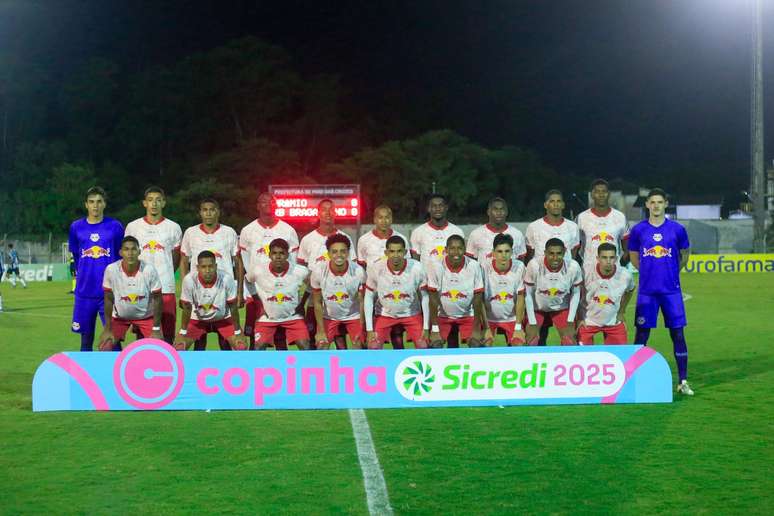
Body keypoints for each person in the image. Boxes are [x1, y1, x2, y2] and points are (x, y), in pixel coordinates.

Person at [628, 188, 693, 395]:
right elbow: (633, 257)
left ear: (666, 204)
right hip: (647, 292)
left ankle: (683, 381)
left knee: (678, 334)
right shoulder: (638, 230)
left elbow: (685, 255)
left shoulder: (677, 229)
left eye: (660, 202)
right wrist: (648, 273)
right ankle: (634, 379)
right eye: (652, 202)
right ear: (647, 204)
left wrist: (672, 272)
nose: (656, 206)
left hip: (671, 292)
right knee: (642, 334)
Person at [238, 193, 299, 346]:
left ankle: (283, 367)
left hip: (280, 289)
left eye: (272, 201)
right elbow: (245, 262)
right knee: (254, 333)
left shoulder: (288, 230)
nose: (268, 204)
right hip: (256, 291)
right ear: (257, 206)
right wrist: (246, 287)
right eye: (264, 202)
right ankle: (255, 367)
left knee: (280, 333)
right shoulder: (247, 230)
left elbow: (292, 263)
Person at [69, 186, 124, 351]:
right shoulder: (76, 227)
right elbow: (77, 257)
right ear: (86, 204)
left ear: (104, 204)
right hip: (84, 292)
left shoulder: (115, 227)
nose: (95, 206)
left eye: (99, 202)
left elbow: (120, 256)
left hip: (109, 293)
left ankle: (118, 375)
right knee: (86, 340)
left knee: (113, 340)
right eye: (91, 202)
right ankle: (85, 376)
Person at [124, 186, 182, 343]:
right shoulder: (133, 227)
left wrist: (167, 272)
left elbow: (176, 258)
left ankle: (169, 366)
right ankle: (142, 365)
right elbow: (129, 256)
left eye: (158, 200)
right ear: (144, 203)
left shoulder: (174, 227)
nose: (154, 204)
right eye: (150, 200)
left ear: (163, 203)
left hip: (166, 288)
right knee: (143, 336)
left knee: (168, 335)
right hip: (142, 289)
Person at [180, 198, 240, 349]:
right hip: (198, 293)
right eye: (205, 210)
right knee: (199, 342)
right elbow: (184, 260)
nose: (208, 213)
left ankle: (226, 371)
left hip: (223, 292)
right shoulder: (191, 232)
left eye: (212, 209)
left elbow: (238, 262)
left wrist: (239, 290)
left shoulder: (229, 232)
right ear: (200, 213)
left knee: (225, 343)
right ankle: (197, 370)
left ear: (218, 212)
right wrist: (185, 289)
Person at [296, 199, 355, 347]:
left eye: (331, 209)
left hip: (339, 301)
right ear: (318, 212)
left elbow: (352, 267)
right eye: (324, 209)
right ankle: (314, 370)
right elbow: (301, 268)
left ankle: (343, 369)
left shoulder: (345, 238)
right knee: (313, 340)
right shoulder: (308, 239)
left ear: (336, 213)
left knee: (341, 341)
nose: (328, 213)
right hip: (313, 300)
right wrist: (313, 283)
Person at [409, 193, 464, 346]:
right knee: (427, 330)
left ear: (446, 208)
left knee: (451, 331)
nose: (437, 208)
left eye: (441, 205)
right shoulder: (419, 232)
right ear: (428, 208)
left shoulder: (457, 231)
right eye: (434, 205)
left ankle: (453, 360)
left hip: (449, 286)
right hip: (426, 289)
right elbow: (415, 262)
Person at [356, 204, 408, 349]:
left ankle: (399, 359)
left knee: (397, 332)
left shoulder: (401, 238)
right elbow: (362, 267)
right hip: (373, 291)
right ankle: (371, 362)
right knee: (371, 332)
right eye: (380, 217)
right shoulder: (364, 240)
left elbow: (406, 264)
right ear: (374, 219)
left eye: (387, 217)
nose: (384, 221)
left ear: (391, 219)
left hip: (395, 290)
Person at [245, 238, 311, 350]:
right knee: (258, 347)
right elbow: (248, 281)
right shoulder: (258, 270)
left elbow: (312, 283)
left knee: (305, 346)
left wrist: (302, 303)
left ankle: (303, 367)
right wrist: (257, 302)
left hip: (293, 318)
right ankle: (262, 368)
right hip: (267, 318)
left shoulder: (299, 271)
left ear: (287, 255)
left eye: (282, 253)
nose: (278, 256)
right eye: (274, 253)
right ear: (269, 255)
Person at [365, 235, 429, 349]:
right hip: (384, 315)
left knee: (423, 345)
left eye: (399, 251)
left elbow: (425, 297)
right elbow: (368, 297)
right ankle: (382, 367)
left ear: (405, 252)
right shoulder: (376, 268)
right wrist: (369, 329)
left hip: (411, 314)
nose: (395, 255)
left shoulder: (417, 268)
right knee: (373, 346)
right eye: (392, 251)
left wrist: (426, 327)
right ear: (386, 252)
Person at [98, 236, 162, 351]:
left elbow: (158, 299)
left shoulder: (149, 270)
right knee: (105, 347)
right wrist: (107, 328)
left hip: (146, 317)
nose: (130, 253)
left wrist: (156, 328)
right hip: (120, 318)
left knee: (158, 348)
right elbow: (108, 299)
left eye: (133, 249)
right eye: (126, 249)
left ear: (139, 252)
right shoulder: (111, 270)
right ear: (121, 252)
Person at [175, 251, 247, 351]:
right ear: (197, 267)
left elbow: (233, 307)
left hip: (223, 319)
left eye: (210, 266)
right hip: (198, 320)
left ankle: (233, 366)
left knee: (241, 346)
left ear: (216, 266)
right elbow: (187, 308)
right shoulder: (189, 280)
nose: (207, 270)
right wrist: (182, 333)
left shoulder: (226, 279)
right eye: (203, 267)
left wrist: (238, 332)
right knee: (179, 347)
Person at [427, 234, 487, 347]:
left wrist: (476, 327)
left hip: (467, 315)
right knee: (435, 345)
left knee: (476, 344)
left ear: (465, 249)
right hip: (443, 316)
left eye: (459, 248)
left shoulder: (474, 266)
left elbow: (478, 298)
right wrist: (434, 329)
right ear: (446, 250)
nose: (456, 252)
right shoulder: (435, 266)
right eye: (452, 248)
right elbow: (432, 298)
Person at [311, 234, 366, 350]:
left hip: (353, 316)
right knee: (322, 346)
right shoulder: (318, 271)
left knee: (359, 345)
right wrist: (320, 330)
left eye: (343, 251)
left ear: (348, 253)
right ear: (328, 253)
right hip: (329, 317)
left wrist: (361, 327)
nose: (339, 255)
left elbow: (362, 302)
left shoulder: (358, 271)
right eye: (334, 252)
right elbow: (317, 302)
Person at [524, 238, 583, 345]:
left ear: (565, 252)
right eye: (551, 253)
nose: (555, 258)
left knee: (570, 341)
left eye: (559, 253)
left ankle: (562, 362)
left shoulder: (573, 267)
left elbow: (576, 293)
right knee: (531, 340)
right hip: (538, 309)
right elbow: (527, 294)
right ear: (545, 253)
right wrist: (532, 322)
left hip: (561, 309)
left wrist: (570, 321)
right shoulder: (534, 265)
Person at [577, 243, 635, 345]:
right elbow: (575, 293)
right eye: (604, 257)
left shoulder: (625, 275)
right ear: (597, 258)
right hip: (587, 321)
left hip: (613, 322)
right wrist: (579, 318)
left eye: (611, 257)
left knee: (620, 356)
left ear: (616, 258)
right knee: (583, 356)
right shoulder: (585, 272)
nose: (608, 261)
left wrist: (621, 312)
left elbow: (631, 289)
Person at [576, 179, 630, 274]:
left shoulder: (620, 217)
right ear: (592, 194)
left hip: (614, 275)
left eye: (604, 191)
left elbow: (628, 249)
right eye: (597, 192)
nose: (601, 195)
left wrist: (620, 265)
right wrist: (580, 265)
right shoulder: (581, 218)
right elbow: (574, 248)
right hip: (589, 274)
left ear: (609, 194)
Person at [481, 233, 527, 345]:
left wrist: (518, 327)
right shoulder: (483, 267)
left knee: (518, 345)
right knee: (485, 345)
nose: (503, 255)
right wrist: (486, 328)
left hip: (512, 318)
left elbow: (521, 298)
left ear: (512, 252)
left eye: (507, 251)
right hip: (489, 319)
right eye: (500, 251)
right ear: (493, 253)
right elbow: (479, 299)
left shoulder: (520, 267)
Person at [525, 190, 580, 264]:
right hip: (541, 273)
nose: (556, 204)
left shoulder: (573, 227)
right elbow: (529, 254)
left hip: (565, 273)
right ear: (545, 205)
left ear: (563, 205)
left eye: (558, 201)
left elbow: (573, 253)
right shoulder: (533, 227)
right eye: (552, 201)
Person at [466, 197, 527, 264]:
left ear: (507, 212)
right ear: (488, 212)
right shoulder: (476, 234)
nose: (499, 212)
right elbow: (470, 264)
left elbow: (521, 262)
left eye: (502, 209)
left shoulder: (517, 234)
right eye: (495, 209)